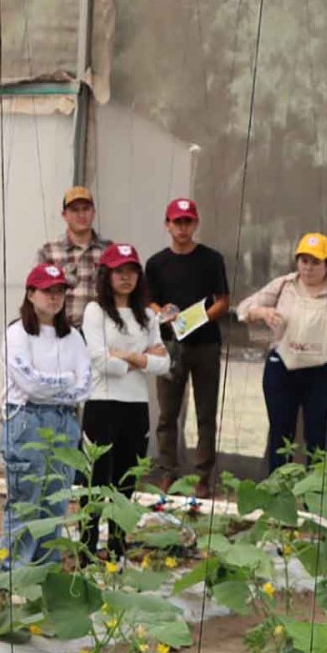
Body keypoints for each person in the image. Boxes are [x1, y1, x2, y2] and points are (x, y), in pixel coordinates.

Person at [236, 233, 327, 472]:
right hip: (282, 368)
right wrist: (263, 312)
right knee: (280, 437)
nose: (308, 267)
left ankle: (314, 501)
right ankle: (277, 497)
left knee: (318, 439)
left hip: (323, 372)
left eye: (315, 262)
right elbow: (244, 309)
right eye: (304, 260)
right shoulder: (283, 285)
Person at [0, 263, 91, 568]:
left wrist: (55, 385)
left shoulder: (73, 336)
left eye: (60, 291)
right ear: (30, 293)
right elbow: (30, 384)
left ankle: (44, 568)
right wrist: (65, 380)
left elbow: (85, 384)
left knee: (56, 497)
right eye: (47, 291)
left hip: (65, 421)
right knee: (26, 498)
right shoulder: (17, 332)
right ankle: (15, 571)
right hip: (27, 421)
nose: (54, 297)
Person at [80, 244, 170, 557]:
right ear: (106, 275)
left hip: (135, 405)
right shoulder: (96, 311)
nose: (126, 277)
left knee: (126, 481)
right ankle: (87, 547)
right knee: (95, 481)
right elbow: (100, 361)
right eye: (119, 271)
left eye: (132, 271)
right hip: (102, 404)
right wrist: (143, 359)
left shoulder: (147, 315)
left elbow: (165, 363)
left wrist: (129, 356)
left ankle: (117, 546)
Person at [145, 197, 229, 497]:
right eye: (177, 221)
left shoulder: (211, 259)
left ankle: (203, 476)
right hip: (169, 344)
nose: (182, 227)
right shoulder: (156, 263)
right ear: (167, 225)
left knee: (206, 413)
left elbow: (223, 300)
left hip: (205, 343)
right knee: (168, 412)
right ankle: (168, 471)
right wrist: (164, 314)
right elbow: (148, 300)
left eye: (188, 221)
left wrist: (200, 318)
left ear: (195, 224)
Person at [35, 186, 110, 328]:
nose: (81, 215)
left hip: (100, 332)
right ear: (64, 215)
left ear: (93, 213)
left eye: (85, 209)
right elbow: (37, 295)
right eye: (75, 210)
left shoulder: (109, 251)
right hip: (61, 330)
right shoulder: (49, 251)